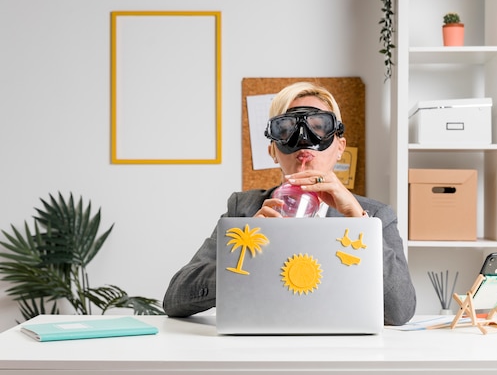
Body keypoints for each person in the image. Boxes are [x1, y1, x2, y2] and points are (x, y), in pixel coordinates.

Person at [163, 82, 416, 326]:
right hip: (261, 348)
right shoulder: (244, 210)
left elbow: (401, 309)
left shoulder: (376, 216)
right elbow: (175, 298)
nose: (304, 140)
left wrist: (358, 221)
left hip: (337, 350)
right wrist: (243, 258)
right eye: (287, 130)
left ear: (339, 147)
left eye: (319, 127)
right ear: (273, 150)